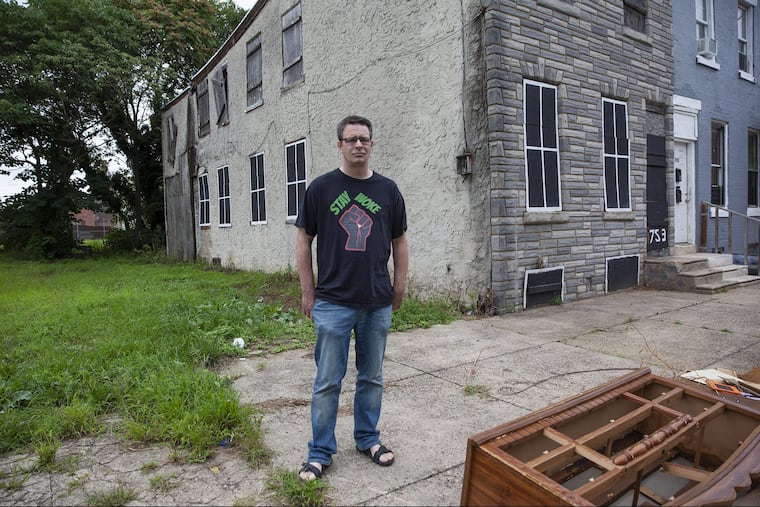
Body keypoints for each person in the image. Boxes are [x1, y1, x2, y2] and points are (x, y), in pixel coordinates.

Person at [294, 115, 409, 481]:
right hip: (332, 302)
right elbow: (303, 239)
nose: (358, 144)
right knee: (328, 380)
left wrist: (400, 285)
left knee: (371, 377)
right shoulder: (321, 189)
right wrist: (307, 291)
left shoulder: (389, 191)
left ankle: (367, 438)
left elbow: (399, 241)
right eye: (351, 139)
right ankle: (320, 452)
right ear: (340, 145)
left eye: (364, 139)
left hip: (377, 301)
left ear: (372, 144)